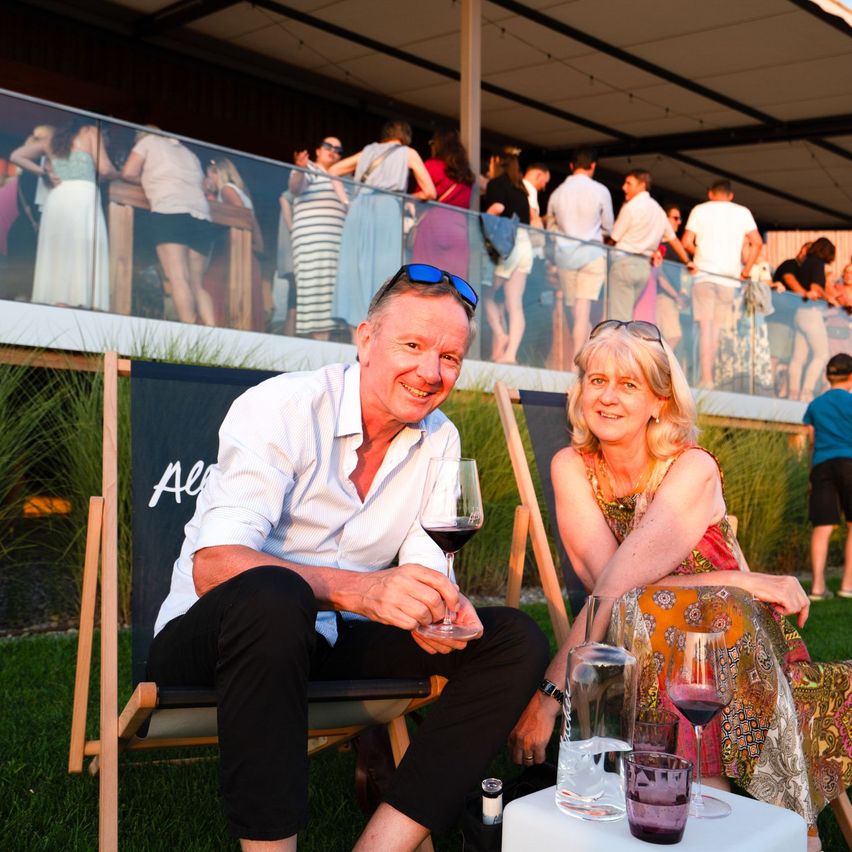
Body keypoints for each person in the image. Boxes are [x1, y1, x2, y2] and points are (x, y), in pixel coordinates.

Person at [147, 264, 549, 850]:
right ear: (365, 339)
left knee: (514, 638)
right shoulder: (282, 407)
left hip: (334, 644)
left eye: (450, 358)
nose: (430, 373)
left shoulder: (439, 439)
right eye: (412, 346)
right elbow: (215, 566)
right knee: (274, 595)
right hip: (216, 644)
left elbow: (423, 566)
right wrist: (360, 591)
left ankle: (381, 845)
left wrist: (437, 608)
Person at [507, 319, 847, 846]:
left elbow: (618, 590)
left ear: (659, 401)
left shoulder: (691, 467)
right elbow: (614, 586)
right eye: (597, 381)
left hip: (740, 646)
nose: (608, 397)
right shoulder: (572, 466)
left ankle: (744, 815)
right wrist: (741, 576)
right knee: (654, 608)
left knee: (689, 614)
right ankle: (727, 812)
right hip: (636, 634)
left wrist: (549, 696)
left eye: (628, 384)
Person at [330, 120, 436, 339]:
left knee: (355, 271)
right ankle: (377, 335)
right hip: (387, 208)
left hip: (358, 207)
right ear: (405, 136)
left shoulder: (368, 151)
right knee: (383, 272)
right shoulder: (408, 153)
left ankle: (355, 337)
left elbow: (333, 170)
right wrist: (406, 198)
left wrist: (346, 201)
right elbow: (430, 191)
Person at [11, 117, 117, 310]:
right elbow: (106, 168)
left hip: (58, 197)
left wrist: (43, 172)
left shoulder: (52, 140)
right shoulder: (91, 131)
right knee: (82, 249)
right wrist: (118, 174)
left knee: (60, 252)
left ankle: (60, 303)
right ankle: (75, 304)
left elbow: (17, 156)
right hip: (82, 195)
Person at [121, 130, 215, 326]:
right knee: (197, 283)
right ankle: (214, 332)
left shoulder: (147, 142)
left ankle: (191, 335)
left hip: (170, 210)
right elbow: (203, 186)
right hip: (202, 215)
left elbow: (128, 172)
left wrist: (148, 180)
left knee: (178, 277)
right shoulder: (190, 154)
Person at [681, 180, 763, 389]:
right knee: (716, 329)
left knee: (704, 328)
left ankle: (705, 378)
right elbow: (757, 242)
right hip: (729, 278)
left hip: (703, 275)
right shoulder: (742, 212)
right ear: (731, 195)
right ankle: (710, 377)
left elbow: (686, 242)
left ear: (710, 193)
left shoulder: (700, 210)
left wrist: (699, 254)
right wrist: (746, 271)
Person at [546, 148, 614, 357]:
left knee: (574, 311)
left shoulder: (557, 192)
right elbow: (609, 226)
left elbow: (550, 225)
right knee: (583, 310)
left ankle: (575, 359)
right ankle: (579, 360)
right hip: (592, 254)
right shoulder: (601, 190)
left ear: (571, 166)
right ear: (592, 166)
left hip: (565, 255)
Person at [608, 169, 694, 322]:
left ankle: (620, 346)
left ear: (642, 185)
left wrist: (604, 250)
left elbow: (614, 238)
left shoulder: (631, 207)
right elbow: (674, 240)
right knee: (627, 316)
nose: (624, 187)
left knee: (618, 318)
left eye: (629, 183)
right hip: (644, 267)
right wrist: (688, 262)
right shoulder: (659, 211)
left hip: (624, 262)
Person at [802, 352, 852, 601]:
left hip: (821, 466)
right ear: (851, 377)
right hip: (850, 463)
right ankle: (847, 585)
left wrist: (812, 474)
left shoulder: (815, 405)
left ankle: (818, 588)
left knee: (822, 528)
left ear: (828, 376)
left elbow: (811, 441)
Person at [289, 136, 349, 339]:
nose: (333, 151)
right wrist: (300, 168)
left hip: (336, 248)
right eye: (328, 146)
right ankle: (320, 348)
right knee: (316, 299)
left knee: (330, 302)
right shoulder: (311, 169)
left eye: (338, 150)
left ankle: (325, 348)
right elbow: (295, 187)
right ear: (318, 150)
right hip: (313, 245)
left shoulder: (341, 179)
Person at [203, 157, 266, 331]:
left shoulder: (226, 190)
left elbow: (240, 215)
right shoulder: (242, 192)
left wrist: (208, 195)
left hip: (231, 253)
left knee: (211, 290)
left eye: (209, 176)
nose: (209, 180)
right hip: (244, 253)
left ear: (217, 174)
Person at [482, 146, 532, 364]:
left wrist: (482, 218)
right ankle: (510, 354)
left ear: (496, 164)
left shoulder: (497, 184)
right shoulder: (522, 190)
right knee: (515, 303)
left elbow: (498, 208)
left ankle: (501, 335)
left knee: (487, 295)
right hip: (525, 245)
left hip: (507, 245)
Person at [409, 127, 475, 279]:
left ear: (437, 145)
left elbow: (424, 194)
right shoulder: (467, 175)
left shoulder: (432, 166)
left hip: (434, 224)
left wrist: (410, 198)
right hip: (460, 228)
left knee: (425, 280)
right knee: (453, 284)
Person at [788, 237, 836, 402]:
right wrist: (829, 298)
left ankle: (793, 392)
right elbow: (815, 288)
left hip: (799, 312)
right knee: (821, 354)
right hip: (811, 312)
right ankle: (806, 392)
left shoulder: (805, 263)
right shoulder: (817, 264)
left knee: (798, 357)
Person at [770, 241, 812, 397]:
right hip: (778, 318)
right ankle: (768, 389)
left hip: (792, 320)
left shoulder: (805, 272)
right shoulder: (790, 264)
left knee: (788, 359)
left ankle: (783, 393)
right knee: (774, 356)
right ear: (802, 251)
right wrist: (805, 294)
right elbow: (789, 279)